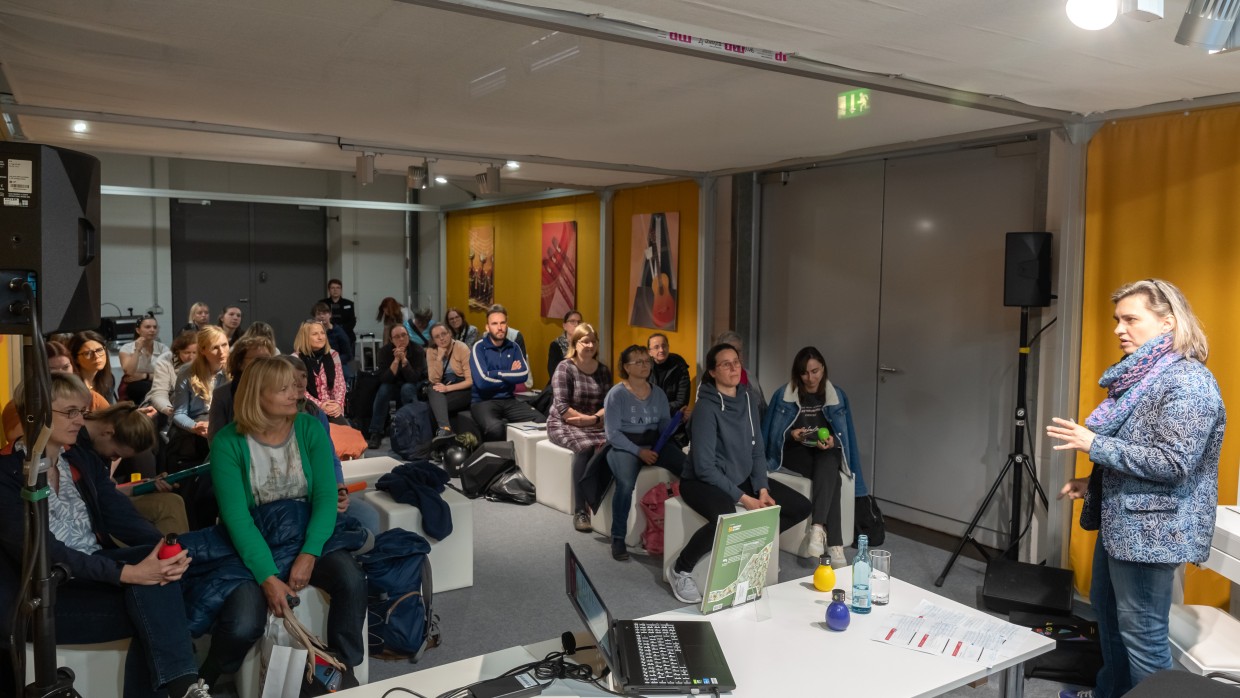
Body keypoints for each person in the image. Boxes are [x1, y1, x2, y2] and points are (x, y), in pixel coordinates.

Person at [1048, 279, 1225, 698]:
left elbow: (1173, 463)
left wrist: (1095, 445)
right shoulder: (1144, 379)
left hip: (1151, 537)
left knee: (1144, 641)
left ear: (1167, 323)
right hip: (1122, 525)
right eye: (1117, 320)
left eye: (1131, 319)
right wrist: (1092, 479)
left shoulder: (1189, 383)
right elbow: (1142, 451)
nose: (1118, 329)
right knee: (1109, 622)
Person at [0, 373, 211, 698]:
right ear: (36, 413)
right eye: (70, 412)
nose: (80, 421)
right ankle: (185, 686)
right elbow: (45, 552)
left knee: (163, 576)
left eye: (81, 412)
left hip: (95, 575)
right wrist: (129, 572)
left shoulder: (77, 458)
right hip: (44, 598)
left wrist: (160, 551)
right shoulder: (6, 474)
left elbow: (122, 515)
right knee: (161, 602)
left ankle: (183, 687)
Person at [202, 358, 366, 686]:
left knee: (351, 580)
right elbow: (237, 518)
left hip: (303, 531)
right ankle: (206, 678)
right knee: (242, 624)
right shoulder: (227, 444)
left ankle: (341, 673)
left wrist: (309, 554)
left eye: (296, 384)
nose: (297, 392)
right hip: (254, 541)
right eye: (285, 388)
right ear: (257, 395)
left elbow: (325, 497)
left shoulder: (308, 428)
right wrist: (266, 576)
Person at [668, 343, 811, 604]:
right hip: (700, 480)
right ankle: (680, 569)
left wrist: (762, 488)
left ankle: (752, 550)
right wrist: (745, 499)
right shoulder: (705, 409)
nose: (734, 367)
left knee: (800, 506)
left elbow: (757, 450)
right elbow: (703, 466)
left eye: (736, 362)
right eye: (726, 363)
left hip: (741, 475)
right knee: (726, 515)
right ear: (712, 372)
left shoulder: (748, 398)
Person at [761, 346, 855, 567]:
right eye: (804, 372)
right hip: (794, 451)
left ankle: (817, 529)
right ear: (797, 374)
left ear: (823, 369)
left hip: (823, 452)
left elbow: (846, 435)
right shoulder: (783, 395)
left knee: (830, 460)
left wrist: (834, 441)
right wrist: (792, 434)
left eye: (815, 371)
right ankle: (835, 545)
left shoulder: (836, 396)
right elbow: (770, 434)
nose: (810, 378)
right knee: (834, 476)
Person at [603, 344, 686, 561]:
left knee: (689, 468)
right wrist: (638, 452)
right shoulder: (616, 394)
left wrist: (677, 422)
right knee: (626, 484)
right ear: (626, 367)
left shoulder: (657, 393)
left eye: (646, 361)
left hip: (654, 443)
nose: (644, 365)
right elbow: (613, 434)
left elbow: (663, 426)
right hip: (625, 445)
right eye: (638, 362)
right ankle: (618, 537)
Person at [83, 401, 190, 535]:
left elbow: (105, 490)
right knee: (168, 506)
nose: (114, 459)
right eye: (116, 454)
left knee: (172, 501)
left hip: (105, 500)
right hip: (95, 511)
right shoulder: (81, 449)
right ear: (108, 433)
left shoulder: (99, 444)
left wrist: (144, 486)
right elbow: (98, 496)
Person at [547, 323, 612, 533]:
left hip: (594, 422)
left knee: (611, 446)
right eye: (585, 341)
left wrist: (593, 419)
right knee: (584, 448)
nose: (590, 345)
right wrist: (588, 420)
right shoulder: (565, 368)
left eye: (593, 341)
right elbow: (563, 408)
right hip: (563, 423)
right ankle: (580, 510)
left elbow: (608, 403)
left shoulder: (603, 370)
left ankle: (600, 502)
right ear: (575, 344)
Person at [169, 327, 230, 528]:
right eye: (215, 348)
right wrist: (195, 427)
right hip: (195, 429)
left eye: (225, 345)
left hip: (223, 426)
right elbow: (178, 414)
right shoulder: (188, 372)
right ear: (202, 350)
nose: (222, 352)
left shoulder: (232, 370)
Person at [469, 305, 544, 441]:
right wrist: (510, 375)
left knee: (541, 421)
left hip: (509, 400)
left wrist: (495, 374)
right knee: (496, 428)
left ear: (507, 324)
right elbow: (481, 382)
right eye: (495, 323)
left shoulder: (513, 347)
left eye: (503, 323)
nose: (499, 327)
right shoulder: (479, 347)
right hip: (483, 401)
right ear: (487, 327)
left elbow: (523, 375)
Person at [366, 323, 427, 449]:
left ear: (408, 336)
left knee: (407, 388)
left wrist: (404, 361)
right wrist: (396, 361)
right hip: (392, 385)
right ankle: (376, 432)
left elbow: (414, 378)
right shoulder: (384, 351)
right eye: (397, 337)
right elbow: (384, 378)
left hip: (412, 385)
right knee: (383, 389)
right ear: (391, 339)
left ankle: (412, 429)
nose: (401, 339)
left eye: (404, 335)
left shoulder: (418, 350)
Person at [2, 340, 73, 447]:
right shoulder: (21, 402)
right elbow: (14, 436)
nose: (61, 374)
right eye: (52, 370)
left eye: (65, 367)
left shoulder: (90, 397)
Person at [207, 335, 276, 442]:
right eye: (258, 359)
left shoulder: (280, 390)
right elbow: (216, 439)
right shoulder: (223, 394)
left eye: (268, 359)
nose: (265, 364)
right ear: (240, 364)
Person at [294, 320, 348, 425]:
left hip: (332, 408)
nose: (320, 337)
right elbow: (300, 390)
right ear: (305, 337)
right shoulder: (295, 359)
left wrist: (338, 405)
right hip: (307, 407)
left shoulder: (333, 355)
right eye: (315, 334)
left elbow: (340, 385)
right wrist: (321, 405)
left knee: (345, 431)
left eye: (322, 333)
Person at [425, 321, 473, 438]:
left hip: (462, 388)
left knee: (435, 409)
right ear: (433, 340)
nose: (441, 338)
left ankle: (444, 432)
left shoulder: (462, 347)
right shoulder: (431, 351)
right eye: (437, 337)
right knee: (432, 389)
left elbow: (470, 381)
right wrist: (439, 358)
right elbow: (434, 380)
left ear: (450, 333)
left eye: (444, 334)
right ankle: (444, 431)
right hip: (442, 385)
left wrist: (447, 388)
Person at [648, 332, 691, 444]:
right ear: (650, 352)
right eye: (656, 347)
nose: (661, 350)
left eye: (664, 346)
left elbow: (681, 402)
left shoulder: (679, 367)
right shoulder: (645, 368)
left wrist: (655, 407)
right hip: (649, 421)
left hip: (674, 422)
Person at [716, 330, 766, 419]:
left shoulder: (750, 376)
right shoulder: (715, 379)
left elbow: (763, 409)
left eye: (739, 351)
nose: (737, 355)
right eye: (732, 351)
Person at [119, 315, 169, 406]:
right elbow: (129, 372)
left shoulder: (163, 348)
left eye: (155, 327)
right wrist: (137, 350)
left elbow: (167, 375)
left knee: (155, 390)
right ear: (138, 330)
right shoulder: (126, 348)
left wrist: (144, 376)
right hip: (133, 385)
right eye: (148, 327)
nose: (152, 330)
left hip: (156, 383)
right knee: (142, 389)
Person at [148, 331, 198, 419]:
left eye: (195, 353)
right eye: (186, 353)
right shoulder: (165, 360)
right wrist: (169, 409)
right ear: (178, 351)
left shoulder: (206, 359)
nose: (191, 357)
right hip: (170, 402)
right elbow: (159, 392)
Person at [68, 330, 116, 407]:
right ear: (75, 359)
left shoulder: (108, 379)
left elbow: (109, 411)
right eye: (88, 353)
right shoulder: (71, 385)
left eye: (99, 350)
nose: (96, 356)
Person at [314, 302, 354, 380]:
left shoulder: (339, 332)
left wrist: (333, 361)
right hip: (317, 363)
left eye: (325, 313)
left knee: (347, 376)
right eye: (318, 314)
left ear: (330, 315)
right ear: (315, 317)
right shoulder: (311, 333)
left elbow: (348, 355)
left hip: (336, 363)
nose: (322, 316)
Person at [319, 278, 357, 345]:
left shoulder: (349, 303)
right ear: (329, 290)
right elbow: (320, 319)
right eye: (332, 288)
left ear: (341, 290)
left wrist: (340, 330)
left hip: (347, 336)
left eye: (338, 288)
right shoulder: (322, 303)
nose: (335, 290)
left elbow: (352, 321)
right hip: (328, 336)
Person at [547, 309, 582, 380]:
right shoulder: (556, 345)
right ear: (564, 326)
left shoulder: (585, 344)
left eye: (579, 322)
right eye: (572, 321)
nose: (577, 325)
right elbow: (553, 372)